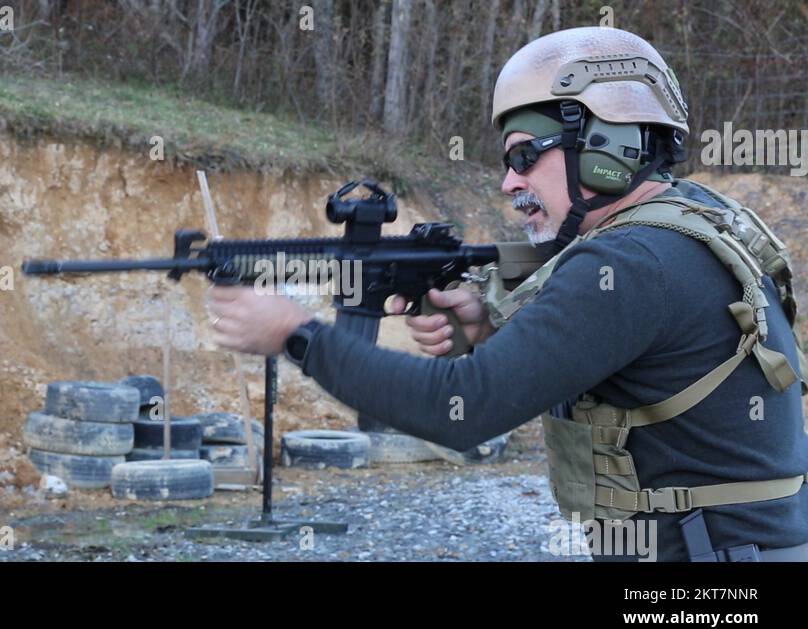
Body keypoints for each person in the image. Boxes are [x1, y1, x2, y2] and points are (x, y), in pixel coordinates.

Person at [206, 27, 808, 562]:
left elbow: (459, 410)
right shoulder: (693, 221)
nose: (508, 180)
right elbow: (639, 353)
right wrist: (491, 324)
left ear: (606, 144)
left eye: (525, 153)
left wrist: (295, 333)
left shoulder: (629, 260)